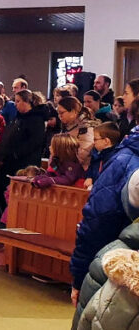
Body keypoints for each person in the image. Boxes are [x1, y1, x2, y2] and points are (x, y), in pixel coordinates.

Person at [69, 125, 139, 309]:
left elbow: (96, 221)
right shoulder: (124, 161)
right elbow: (98, 219)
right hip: (118, 268)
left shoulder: (122, 160)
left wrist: (79, 276)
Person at [0, 89, 47, 209]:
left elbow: (35, 142)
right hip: (12, 161)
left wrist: (15, 154)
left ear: (27, 102)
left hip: (24, 163)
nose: (15, 104)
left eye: (18, 101)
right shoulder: (19, 118)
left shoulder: (36, 119)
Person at [58, 96, 98, 169]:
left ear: (73, 112)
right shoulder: (67, 127)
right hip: (67, 169)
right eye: (58, 113)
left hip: (80, 171)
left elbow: (83, 152)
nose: (59, 116)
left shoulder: (86, 127)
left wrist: (63, 164)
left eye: (61, 113)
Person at [84, 122, 121, 189]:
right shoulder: (96, 152)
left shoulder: (115, 158)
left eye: (95, 139)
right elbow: (91, 167)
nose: (93, 142)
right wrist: (89, 177)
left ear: (106, 141)